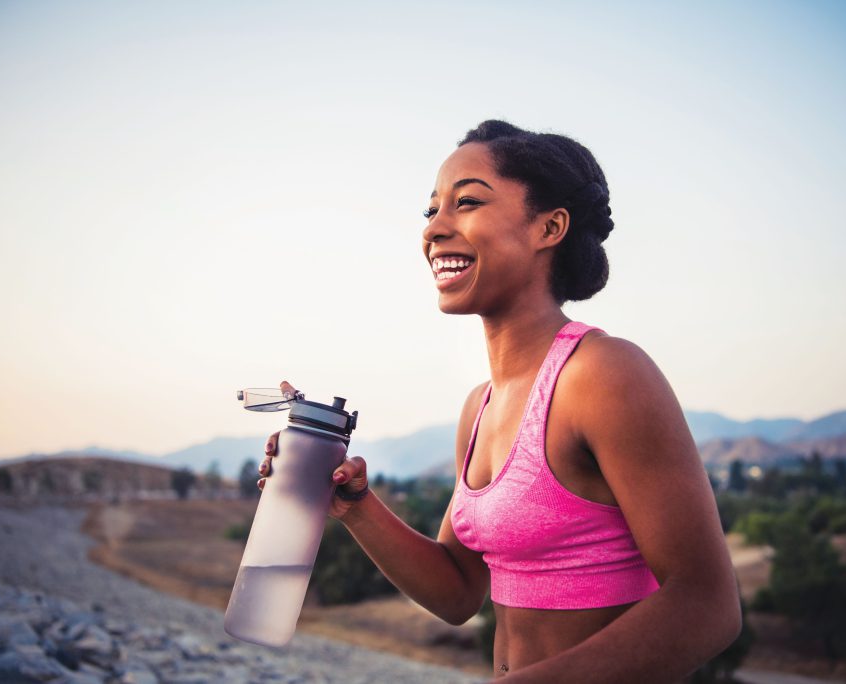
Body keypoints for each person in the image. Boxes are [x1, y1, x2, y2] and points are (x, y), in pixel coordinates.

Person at [259, 120, 741, 682]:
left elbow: (708, 606)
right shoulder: (480, 407)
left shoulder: (603, 374)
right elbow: (459, 592)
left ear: (549, 227)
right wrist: (355, 506)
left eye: (465, 203)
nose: (434, 229)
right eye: (430, 210)